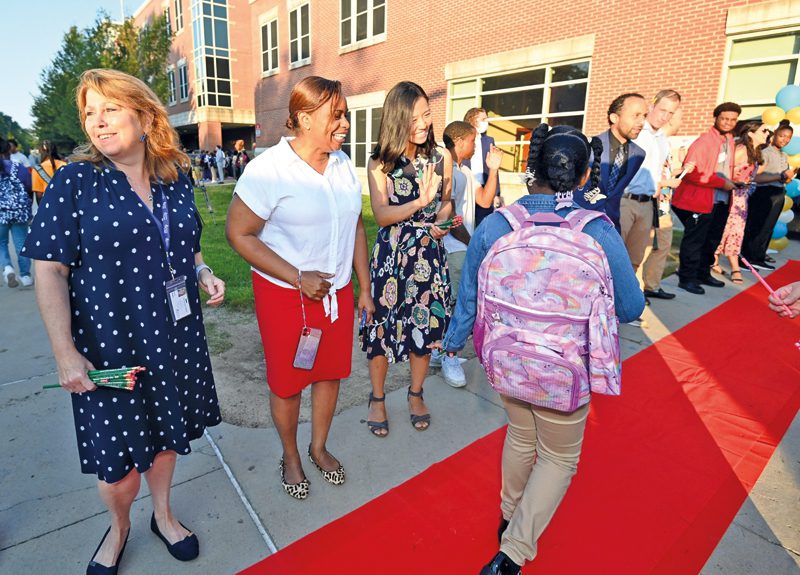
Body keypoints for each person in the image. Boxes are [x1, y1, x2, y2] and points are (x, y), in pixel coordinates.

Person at [21, 68, 226, 574]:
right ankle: (119, 527)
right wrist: (65, 353)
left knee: (164, 439)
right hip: (109, 347)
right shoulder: (75, 181)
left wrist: (201, 271)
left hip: (173, 337)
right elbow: (48, 269)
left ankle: (163, 515)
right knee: (116, 470)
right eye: (90, 113)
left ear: (144, 112)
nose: (98, 122)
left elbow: (186, 242)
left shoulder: (174, 177)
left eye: (109, 108)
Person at [438, 124, 644, 575]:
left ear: (533, 168)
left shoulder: (498, 223)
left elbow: (470, 297)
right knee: (558, 456)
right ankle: (512, 553)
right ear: (587, 173)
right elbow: (630, 306)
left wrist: (452, 345)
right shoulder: (597, 230)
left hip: (508, 362)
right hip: (565, 370)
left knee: (520, 435)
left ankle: (509, 517)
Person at [226, 76, 374, 499]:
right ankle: (291, 455)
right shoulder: (268, 169)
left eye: (344, 115)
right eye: (337, 115)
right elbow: (239, 234)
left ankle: (319, 447)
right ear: (305, 118)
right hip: (285, 297)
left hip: (336, 293)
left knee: (329, 375)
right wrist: (296, 275)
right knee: (288, 382)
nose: (345, 124)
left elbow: (355, 227)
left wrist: (363, 286)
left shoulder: (343, 164)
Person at [362, 80, 453, 436]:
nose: (423, 123)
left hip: (429, 253)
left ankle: (416, 394)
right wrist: (418, 203)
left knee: (425, 325)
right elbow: (382, 216)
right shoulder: (380, 162)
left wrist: (444, 221)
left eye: (427, 114)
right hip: (392, 257)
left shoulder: (441, 156)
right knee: (382, 329)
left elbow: (446, 203)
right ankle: (378, 398)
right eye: (414, 117)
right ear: (397, 118)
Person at [434, 120, 503, 387]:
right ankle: (447, 355)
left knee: (458, 304)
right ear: (461, 140)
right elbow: (447, 212)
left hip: (463, 247)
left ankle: (442, 352)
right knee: (459, 304)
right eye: (473, 141)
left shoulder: (464, 171)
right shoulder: (446, 167)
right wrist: (474, 243)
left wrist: (493, 170)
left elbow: (485, 200)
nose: (476, 146)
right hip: (453, 247)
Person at [672, 102, 741, 295]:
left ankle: (703, 273)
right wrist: (721, 183)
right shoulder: (704, 141)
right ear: (716, 118)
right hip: (700, 201)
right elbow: (690, 173)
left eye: (732, 119)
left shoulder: (729, 141)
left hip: (721, 201)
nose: (728, 122)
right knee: (694, 241)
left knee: (711, 240)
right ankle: (686, 278)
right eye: (724, 118)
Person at [620, 90, 682, 300]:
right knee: (615, 256)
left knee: (636, 258)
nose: (665, 116)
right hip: (625, 201)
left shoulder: (663, 140)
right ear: (652, 106)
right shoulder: (635, 132)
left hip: (648, 204)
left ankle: (626, 299)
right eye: (662, 109)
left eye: (670, 113)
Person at [573, 93, 647, 228]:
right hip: (578, 223)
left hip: (611, 224)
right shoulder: (585, 146)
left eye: (644, 116)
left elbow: (614, 193)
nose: (642, 122)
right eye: (636, 115)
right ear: (614, 117)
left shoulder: (639, 154)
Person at [639, 107, 689, 300]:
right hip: (652, 201)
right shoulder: (650, 141)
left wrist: (682, 169)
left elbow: (665, 171)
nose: (680, 122)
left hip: (663, 202)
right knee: (645, 248)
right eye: (679, 118)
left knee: (662, 246)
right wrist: (668, 182)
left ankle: (651, 284)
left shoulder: (664, 143)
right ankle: (641, 287)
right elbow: (646, 175)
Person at [712, 121, 770, 283]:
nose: (767, 134)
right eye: (764, 130)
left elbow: (753, 174)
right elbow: (723, 170)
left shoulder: (755, 153)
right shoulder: (741, 150)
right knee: (731, 230)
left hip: (742, 197)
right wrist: (736, 182)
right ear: (751, 133)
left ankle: (714, 259)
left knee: (733, 230)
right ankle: (734, 266)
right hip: (732, 195)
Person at [742, 121, 796, 270]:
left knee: (767, 227)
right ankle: (746, 258)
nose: (784, 139)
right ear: (775, 135)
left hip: (778, 192)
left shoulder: (784, 155)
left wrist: (788, 176)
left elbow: (783, 176)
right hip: (764, 193)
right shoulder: (765, 152)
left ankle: (758, 257)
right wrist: (780, 176)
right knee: (755, 226)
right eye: (782, 135)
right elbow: (756, 177)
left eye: (788, 137)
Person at [1, 137, 34, 287]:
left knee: (1, 243)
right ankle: (25, 276)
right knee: (21, 243)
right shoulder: (17, 167)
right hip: (18, 211)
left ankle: (7, 267)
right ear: (8, 150)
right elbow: (28, 187)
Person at [463, 107, 502, 227]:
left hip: (486, 188)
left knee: (484, 225)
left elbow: (494, 168)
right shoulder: (462, 140)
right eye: (483, 119)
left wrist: (496, 194)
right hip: (467, 188)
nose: (486, 122)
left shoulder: (489, 141)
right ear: (472, 120)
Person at [31, 140, 67, 205]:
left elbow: (39, 195)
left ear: (41, 152)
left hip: (48, 205)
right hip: (65, 204)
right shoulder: (64, 165)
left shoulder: (37, 169)